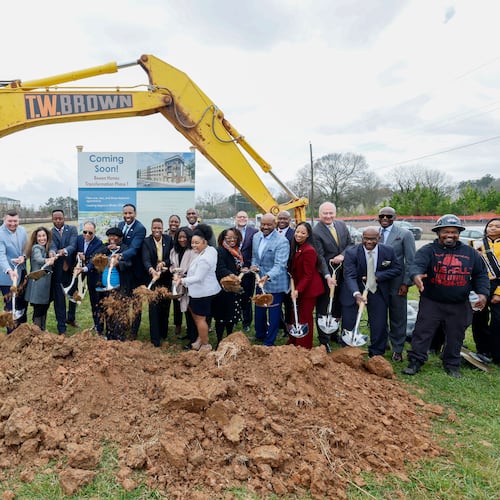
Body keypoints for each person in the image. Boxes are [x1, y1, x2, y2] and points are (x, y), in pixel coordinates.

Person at [403, 214, 489, 378]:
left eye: (454, 232)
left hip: (459, 303)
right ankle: (416, 361)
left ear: (459, 233)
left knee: (456, 335)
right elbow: (417, 265)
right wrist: (416, 276)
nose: (450, 235)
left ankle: (452, 364)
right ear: (438, 232)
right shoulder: (428, 250)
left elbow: (481, 275)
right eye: (445, 231)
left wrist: (483, 293)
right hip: (432, 301)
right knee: (422, 332)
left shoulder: (470, 253)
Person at [341, 227, 403, 357]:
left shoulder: (388, 251)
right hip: (355, 288)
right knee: (348, 320)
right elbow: (350, 276)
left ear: (378, 238)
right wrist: (356, 294)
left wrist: (377, 276)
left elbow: (397, 269)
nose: (369, 242)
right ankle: (348, 350)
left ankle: (376, 352)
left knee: (379, 323)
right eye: (366, 239)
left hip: (377, 289)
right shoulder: (351, 253)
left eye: (372, 239)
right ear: (362, 238)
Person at [313, 201, 353, 352]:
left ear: (335, 213)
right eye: (325, 213)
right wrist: (327, 276)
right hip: (326, 275)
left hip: (342, 273)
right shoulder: (316, 231)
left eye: (331, 213)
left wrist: (342, 256)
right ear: (320, 214)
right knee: (324, 305)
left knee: (337, 304)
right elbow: (320, 257)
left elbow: (350, 244)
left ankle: (334, 332)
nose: (328, 216)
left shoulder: (341, 225)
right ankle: (324, 340)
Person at [173, 224, 220, 352]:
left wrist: (181, 280)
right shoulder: (210, 250)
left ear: (205, 241)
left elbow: (199, 277)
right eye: (192, 243)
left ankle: (205, 345)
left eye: (197, 243)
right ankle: (200, 339)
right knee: (198, 317)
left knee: (200, 320)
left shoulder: (204, 258)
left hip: (202, 292)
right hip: (207, 290)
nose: (193, 245)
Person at [377, 206, 416, 362]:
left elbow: (411, 260)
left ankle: (398, 348)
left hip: (397, 282)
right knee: (379, 315)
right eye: (382, 216)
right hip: (379, 282)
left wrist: (406, 283)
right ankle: (382, 343)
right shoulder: (375, 233)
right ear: (378, 217)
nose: (385, 219)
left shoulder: (404, 234)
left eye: (389, 216)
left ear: (395, 218)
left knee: (397, 316)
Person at [250, 213, 290, 346]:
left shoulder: (282, 241)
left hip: (275, 282)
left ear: (275, 224)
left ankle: (269, 341)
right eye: (263, 224)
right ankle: (260, 334)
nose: (265, 227)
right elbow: (255, 257)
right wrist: (254, 266)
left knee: (273, 313)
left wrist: (267, 277)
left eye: (269, 224)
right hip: (259, 280)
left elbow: (280, 265)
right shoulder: (256, 237)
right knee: (260, 308)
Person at [287, 222, 324, 349]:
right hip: (299, 286)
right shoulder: (296, 247)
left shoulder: (309, 251)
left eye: (303, 233)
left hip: (309, 289)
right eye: (297, 231)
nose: (299, 234)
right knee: (295, 314)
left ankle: (304, 345)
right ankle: (294, 340)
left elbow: (308, 275)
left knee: (305, 316)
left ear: (308, 235)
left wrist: (298, 290)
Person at [471, 217, 500, 365]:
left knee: (497, 321)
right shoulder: (475, 244)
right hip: (480, 285)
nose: (493, 228)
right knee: (479, 319)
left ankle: (497, 353)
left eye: (497, 226)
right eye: (490, 226)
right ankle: (482, 350)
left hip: (498, 285)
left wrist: (498, 292)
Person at [142, 218, 173, 347]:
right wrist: (151, 269)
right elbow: (145, 259)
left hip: (166, 278)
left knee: (165, 306)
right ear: (151, 228)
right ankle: (155, 339)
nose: (157, 230)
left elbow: (172, 256)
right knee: (154, 308)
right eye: (155, 227)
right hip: (153, 279)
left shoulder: (168, 239)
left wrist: (164, 263)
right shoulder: (146, 242)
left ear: (162, 227)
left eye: (159, 227)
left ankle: (163, 333)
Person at [118, 203, 147, 339]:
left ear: (135, 214)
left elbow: (134, 249)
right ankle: (124, 325)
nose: (127, 216)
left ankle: (134, 331)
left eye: (130, 213)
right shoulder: (119, 225)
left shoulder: (140, 228)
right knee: (123, 299)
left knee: (136, 302)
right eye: (125, 213)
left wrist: (120, 255)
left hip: (136, 272)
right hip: (123, 271)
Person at [95, 227, 129, 341]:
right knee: (107, 312)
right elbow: (95, 257)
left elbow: (129, 263)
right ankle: (109, 336)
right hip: (105, 288)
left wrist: (118, 263)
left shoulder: (124, 249)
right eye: (110, 236)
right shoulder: (104, 248)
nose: (112, 238)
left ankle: (119, 336)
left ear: (120, 238)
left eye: (114, 236)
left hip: (118, 287)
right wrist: (106, 249)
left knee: (118, 312)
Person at [213, 227, 244, 348]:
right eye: (229, 237)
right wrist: (233, 275)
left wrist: (242, 270)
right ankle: (220, 341)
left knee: (231, 316)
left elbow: (236, 266)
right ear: (223, 238)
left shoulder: (236, 251)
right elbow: (220, 268)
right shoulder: (220, 250)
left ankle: (230, 338)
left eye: (234, 237)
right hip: (223, 288)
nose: (232, 240)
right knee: (221, 317)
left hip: (233, 288)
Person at [48, 209, 78, 334]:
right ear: (52, 219)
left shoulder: (72, 229)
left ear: (64, 218)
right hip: (58, 272)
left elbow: (73, 245)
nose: (58, 221)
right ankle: (62, 328)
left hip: (71, 270)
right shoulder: (50, 233)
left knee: (73, 296)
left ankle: (70, 318)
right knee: (60, 300)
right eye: (56, 219)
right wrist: (53, 252)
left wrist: (64, 250)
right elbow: (53, 245)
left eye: (60, 218)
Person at [0, 210, 28, 331]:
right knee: (11, 305)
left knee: (22, 304)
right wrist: (8, 270)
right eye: (9, 221)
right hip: (7, 277)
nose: (13, 223)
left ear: (19, 220)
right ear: (4, 220)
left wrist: (24, 257)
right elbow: (1, 255)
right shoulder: (0, 233)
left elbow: (27, 247)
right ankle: (11, 334)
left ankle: (23, 331)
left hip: (22, 274)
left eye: (15, 221)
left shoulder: (22, 230)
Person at [24, 227, 56, 330]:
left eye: (44, 236)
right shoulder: (36, 248)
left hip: (45, 285)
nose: (42, 238)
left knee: (44, 307)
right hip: (38, 284)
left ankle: (43, 329)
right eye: (39, 236)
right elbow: (38, 259)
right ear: (36, 238)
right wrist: (48, 260)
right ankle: (36, 330)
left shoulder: (46, 248)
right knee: (38, 309)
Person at [169, 226, 197, 345]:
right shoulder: (174, 251)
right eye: (180, 237)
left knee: (192, 311)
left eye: (185, 237)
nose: (182, 239)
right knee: (185, 310)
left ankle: (194, 337)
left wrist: (183, 276)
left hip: (190, 284)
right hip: (178, 283)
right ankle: (190, 333)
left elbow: (195, 268)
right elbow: (171, 264)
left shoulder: (193, 251)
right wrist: (172, 269)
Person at [75, 221, 103, 334]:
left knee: (96, 301)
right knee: (91, 302)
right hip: (80, 272)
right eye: (84, 232)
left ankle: (99, 328)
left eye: (90, 233)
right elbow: (74, 250)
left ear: (94, 232)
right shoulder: (79, 239)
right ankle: (96, 324)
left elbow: (93, 260)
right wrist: (78, 255)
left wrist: (84, 266)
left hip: (94, 276)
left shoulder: (99, 244)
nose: (87, 235)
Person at [235, 210, 258, 333]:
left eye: (244, 217)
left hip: (248, 271)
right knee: (234, 296)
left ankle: (247, 322)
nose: (242, 219)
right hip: (234, 271)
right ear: (236, 218)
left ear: (248, 218)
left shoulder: (254, 232)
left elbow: (256, 251)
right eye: (240, 217)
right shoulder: (230, 231)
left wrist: (250, 267)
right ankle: (234, 319)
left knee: (247, 298)